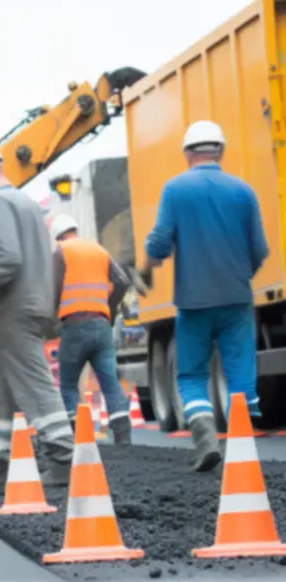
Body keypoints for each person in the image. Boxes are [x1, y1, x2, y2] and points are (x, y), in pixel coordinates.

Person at [140, 119, 269, 471]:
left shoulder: (175, 190)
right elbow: (259, 249)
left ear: (186, 154)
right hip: (237, 299)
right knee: (240, 374)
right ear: (221, 151)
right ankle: (243, 453)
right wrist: (239, 277)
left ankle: (206, 436)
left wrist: (147, 265)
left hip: (193, 302)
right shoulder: (243, 191)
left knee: (192, 375)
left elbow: (160, 242)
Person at [0, 144, 74, 492]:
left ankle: (64, 457)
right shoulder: (27, 203)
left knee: (33, 381)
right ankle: (5, 467)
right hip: (30, 305)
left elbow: (6, 257)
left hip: (13, 309)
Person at [49, 214, 132, 443]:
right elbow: (122, 281)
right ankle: (124, 439)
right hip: (101, 325)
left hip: (74, 327)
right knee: (110, 382)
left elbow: (53, 289)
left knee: (68, 384)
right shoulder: (98, 250)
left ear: (58, 236)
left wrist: (52, 319)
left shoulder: (60, 251)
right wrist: (109, 309)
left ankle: (82, 439)